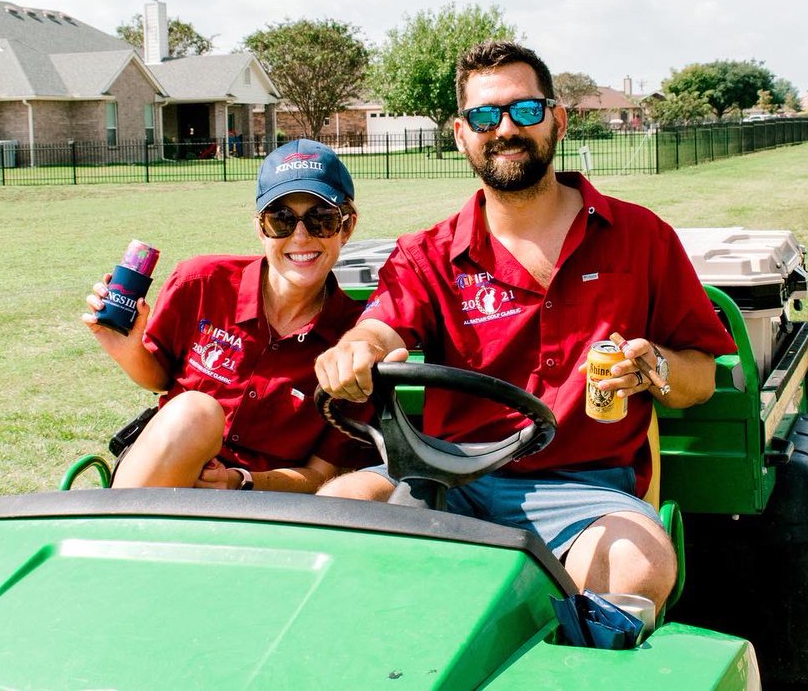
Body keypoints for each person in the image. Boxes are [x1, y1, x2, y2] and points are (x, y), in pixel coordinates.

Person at [313, 41, 736, 612]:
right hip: (448, 477)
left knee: (637, 564)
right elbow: (380, 329)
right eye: (486, 116)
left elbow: (702, 374)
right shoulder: (428, 254)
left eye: (526, 111)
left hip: (585, 493)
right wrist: (355, 350)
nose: (506, 128)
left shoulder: (642, 237)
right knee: (338, 508)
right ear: (461, 134)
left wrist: (653, 367)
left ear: (557, 120)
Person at [84, 138, 375, 492]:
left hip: (262, 506)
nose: (300, 236)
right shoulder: (201, 282)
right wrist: (127, 349)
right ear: (260, 227)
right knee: (196, 412)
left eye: (321, 220)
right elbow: (161, 379)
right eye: (280, 219)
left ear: (348, 226)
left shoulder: (356, 341)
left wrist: (240, 481)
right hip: (164, 476)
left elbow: (321, 475)